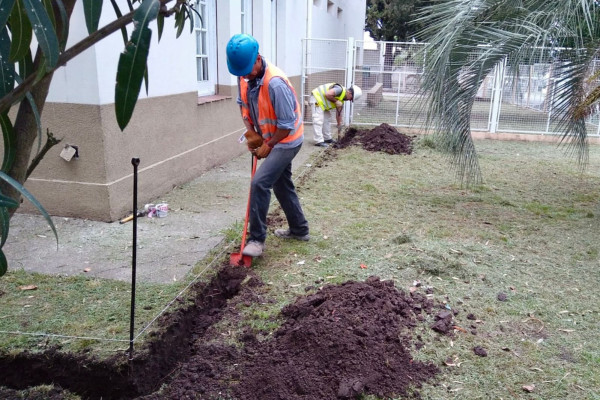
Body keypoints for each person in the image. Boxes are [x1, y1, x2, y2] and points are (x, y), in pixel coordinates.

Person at [226, 33, 310, 257]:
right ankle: (300, 229)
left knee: (260, 183)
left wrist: (268, 145)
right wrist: (252, 132)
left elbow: (286, 125)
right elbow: (243, 105)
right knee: (282, 185)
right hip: (269, 137)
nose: (245, 75)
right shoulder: (243, 75)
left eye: (247, 69)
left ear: (258, 58)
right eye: (240, 72)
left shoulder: (275, 84)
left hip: (287, 140)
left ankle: (256, 239)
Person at [310, 82, 362, 147]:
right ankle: (318, 141)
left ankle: (327, 138)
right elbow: (328, 94)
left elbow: (339, 114)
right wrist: (336, 101)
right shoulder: (339, 89)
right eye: (351, 98)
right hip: (316, 99)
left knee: (327, 119)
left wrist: (339, 124)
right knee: (318, 119)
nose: (349, 100)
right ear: (349, 93)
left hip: (323, 104)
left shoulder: (342, 99)